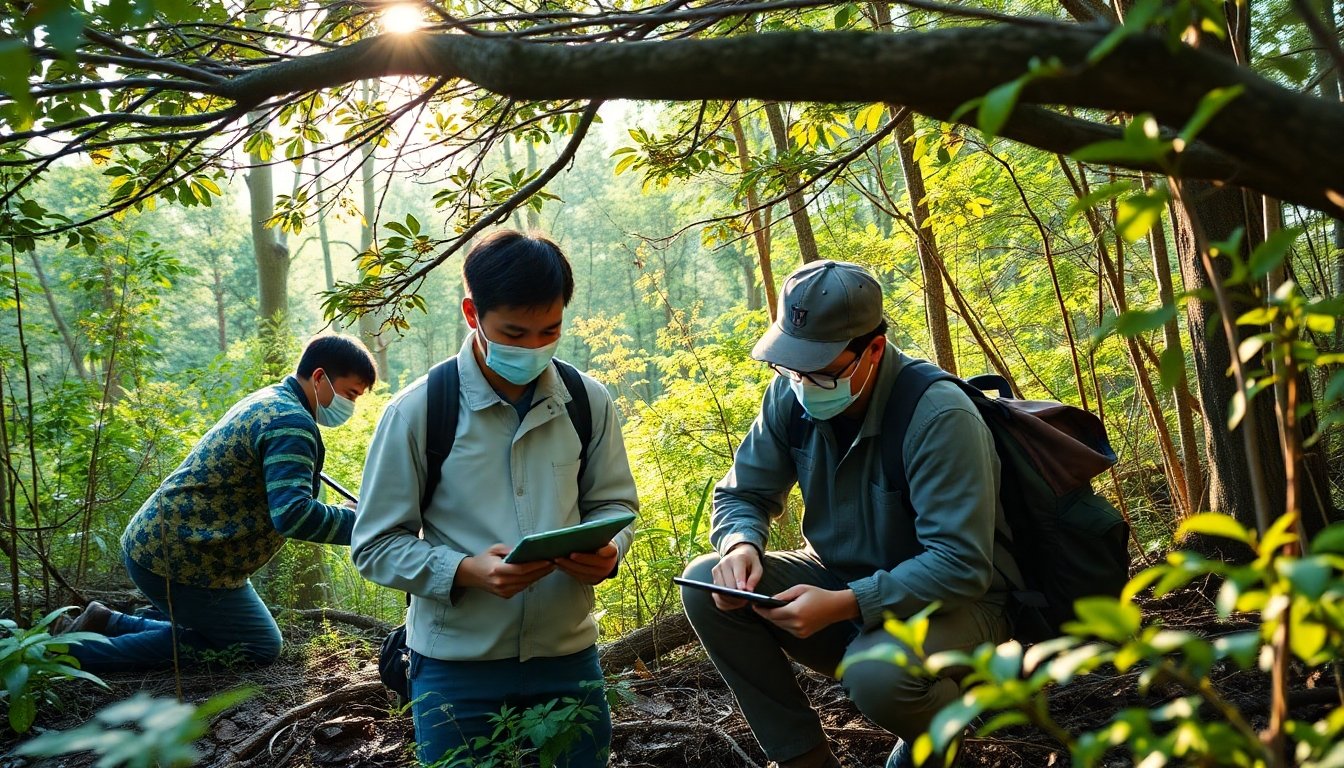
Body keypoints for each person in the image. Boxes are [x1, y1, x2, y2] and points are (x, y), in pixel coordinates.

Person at [680, 260, 1018, 768]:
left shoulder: (938, 416)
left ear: (873, 349)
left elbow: (960, 565)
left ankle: (940, 730)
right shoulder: (790, 396)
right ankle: (804, 759)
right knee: (706, 582)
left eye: (819, 368)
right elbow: (741, 493)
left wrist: (843, 604)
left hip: (962, 608)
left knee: (875, 675)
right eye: (790, 366)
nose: (801, 382)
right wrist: (740, 544)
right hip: (839, 583)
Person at [352, 231, 639, 767]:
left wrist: (611, 550)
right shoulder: (420, 411)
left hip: (568, 656)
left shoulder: (587, 401)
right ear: (472, 313)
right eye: (514, 332)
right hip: (455, 664)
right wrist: (464, 570)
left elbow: (615, 507)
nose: (533, 346)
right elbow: (374, 545)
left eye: (549, 330)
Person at [65, 334, 378, 672]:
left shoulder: (271, 400)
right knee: (258, 645)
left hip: (168, 547)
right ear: (319, 377)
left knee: (222, 633)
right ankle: (70, 654)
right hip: (180, 560)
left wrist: (345, 515)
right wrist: (366, 524)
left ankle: (107, 622)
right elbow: (293, 516)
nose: (351, 406)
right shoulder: (292, 424)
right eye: (349, 394)